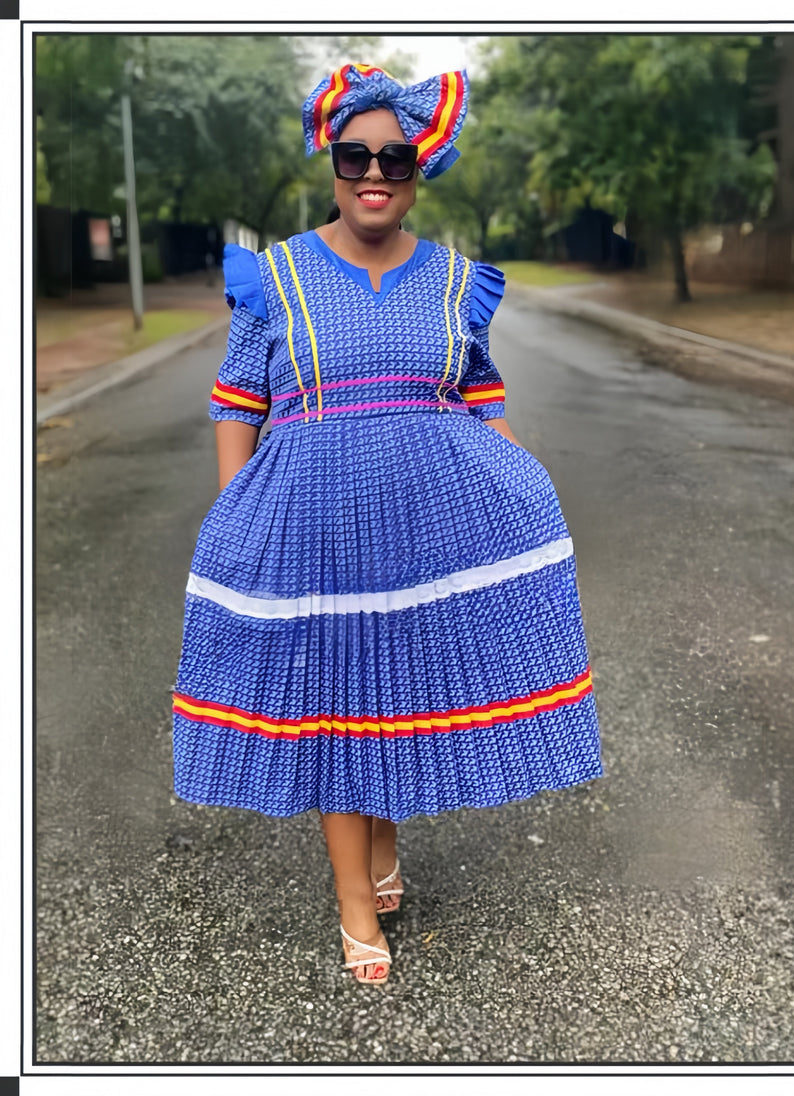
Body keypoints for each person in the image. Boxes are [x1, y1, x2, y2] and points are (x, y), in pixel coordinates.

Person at [172, 64, 603, 987]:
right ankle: (354, 904)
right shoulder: (277, 275)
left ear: (419, 170)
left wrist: (525, 494)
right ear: (331, 164)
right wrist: (232, 514)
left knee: (394, 694)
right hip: (311, 535)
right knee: (336, 711)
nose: (375, 171)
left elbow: (483, 401)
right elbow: (235, 401)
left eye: (395, 158)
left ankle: (383, 844)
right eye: (355, 154)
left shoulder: (453, 281)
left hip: (421, 530)